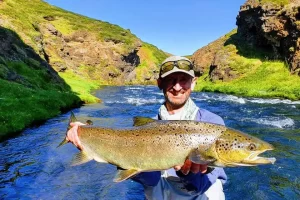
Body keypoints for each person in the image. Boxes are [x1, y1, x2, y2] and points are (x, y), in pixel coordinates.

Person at [66, 55, 227, 200]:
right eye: (170, 80)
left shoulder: (212, 123)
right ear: (159, 83)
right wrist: (83, 133)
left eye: (183, 79)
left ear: (193, 83)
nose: (177, 87)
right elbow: (151, 180)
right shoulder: (148, 126)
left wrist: (188, 172)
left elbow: (201, 187)